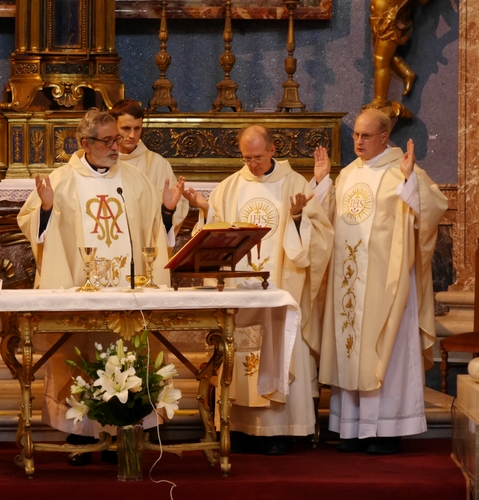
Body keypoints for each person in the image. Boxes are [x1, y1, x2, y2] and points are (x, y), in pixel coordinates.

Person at [18, 109, 169, 465]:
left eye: (117, 138)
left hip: (125, 290)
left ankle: (123, 430)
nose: (117, 146)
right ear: (85, 143)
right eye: (109, 141)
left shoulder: (134, 180)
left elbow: (153, 233)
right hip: (80, 289)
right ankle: (80, 430)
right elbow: (32, 226)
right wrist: (46, 208)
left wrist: (166, 213)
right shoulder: (60, 180)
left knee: (125, 355)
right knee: (79, 356)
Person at [182, 125, 333, 455]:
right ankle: (237, 427)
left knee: (280, 347)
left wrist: (296, 218)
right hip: (240, 290)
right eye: (246, 158)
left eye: (258, 157)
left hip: (282, 286)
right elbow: (214, 236)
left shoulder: (295, 184)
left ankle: (281, 430)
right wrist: (206, 211)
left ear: (273, 150)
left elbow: (321, 235)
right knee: (240, 351)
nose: (251, 164)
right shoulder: (229, 188)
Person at [317, 109, 447, 454]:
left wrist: (409, 183)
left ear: (384, 137)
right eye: (356, 135)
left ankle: (386, 431)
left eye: (365, 136)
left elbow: (434, 208)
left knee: (383, 351)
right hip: (349, 281)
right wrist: (320, 185)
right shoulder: (346, 174)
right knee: (351, 350)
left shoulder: (402, 170)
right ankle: (351, 428)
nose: (358, 141)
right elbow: (327, 220)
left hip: (387, 285)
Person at [110, 99, 189, 239]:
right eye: (126, 128)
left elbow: (176, 209)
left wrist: (168, 210)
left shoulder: (157, 164)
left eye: (137, 128)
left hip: (145, 242)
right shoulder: (104, 162)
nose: (132, 135)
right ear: (113, 127)